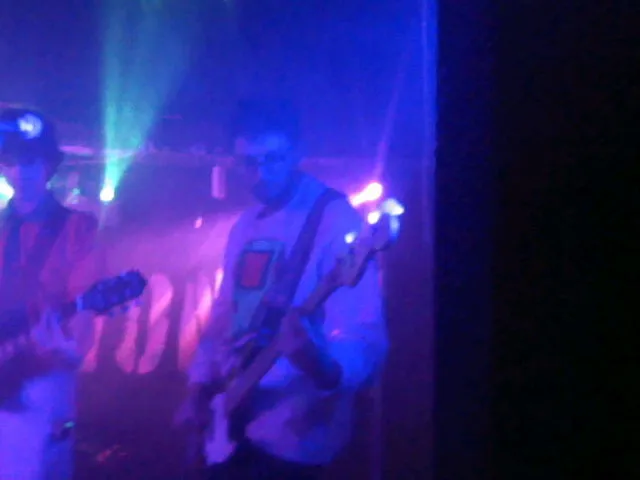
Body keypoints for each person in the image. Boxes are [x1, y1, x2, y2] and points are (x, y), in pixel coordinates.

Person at [180, 100, 388, 479]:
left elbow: (365, 336)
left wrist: (319, 363)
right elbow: (225, 315)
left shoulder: (334, 218)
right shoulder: (244, 225)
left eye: (272, 159)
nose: (260, 174)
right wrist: (199, 385)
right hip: (233, 421)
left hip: (296, 443)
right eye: (249, 163)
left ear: (298, 153)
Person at [0, 108, 98, 479]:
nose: (19, 172)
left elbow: (84, 313)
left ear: (49, 166)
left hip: (43, 387)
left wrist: (61, 349)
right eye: (10, 162)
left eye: (30, 162)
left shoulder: (77, 229)